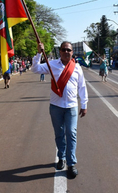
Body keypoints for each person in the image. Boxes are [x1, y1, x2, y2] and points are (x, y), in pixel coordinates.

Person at [31, 41, 88, 178]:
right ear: (60, 51)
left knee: (71, 133)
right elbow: (35, 69)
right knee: (59, 134)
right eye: (64, 49)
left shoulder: (77, 68)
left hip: (72, 107)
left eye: (69, 50)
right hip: (56, 107)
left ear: (72, 52)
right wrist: (39, 53)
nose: (66, 52)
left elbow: (82, 86)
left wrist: (84, 104)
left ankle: (71, 163)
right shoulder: (52, 65)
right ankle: (61, 157)